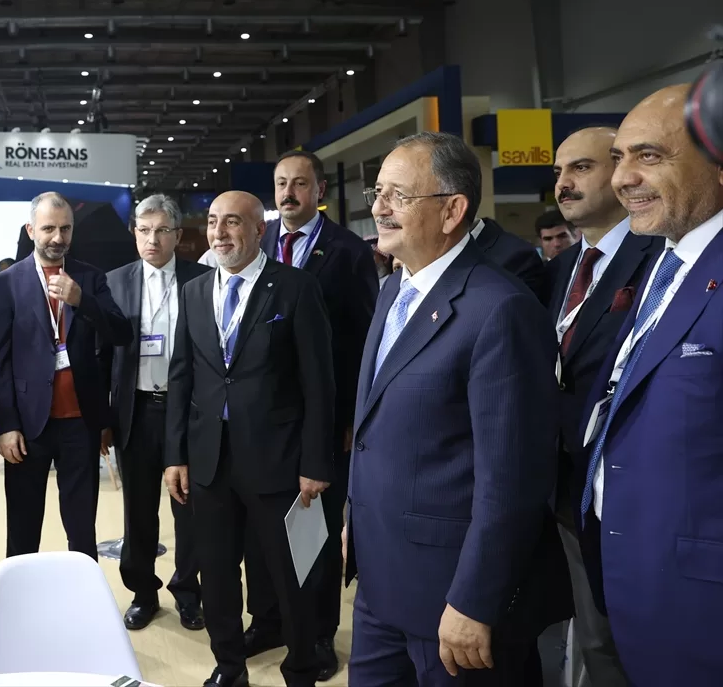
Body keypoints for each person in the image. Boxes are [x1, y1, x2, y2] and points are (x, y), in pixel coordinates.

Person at [345, 132, 571, 685]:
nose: (379, 208)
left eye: (398, 195)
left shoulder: (500, 309)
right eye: (378, 192)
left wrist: (475, 599)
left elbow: (514, 479)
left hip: (453, 601)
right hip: (381, 581)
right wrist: (357, 520)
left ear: (452, 211)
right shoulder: (393, 292)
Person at [580, 83, 723, 686]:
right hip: (634, 581)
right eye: (619, 157)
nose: (622, 178)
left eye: (649, 156)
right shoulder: (664, 262)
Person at [166, 190, 335, 687]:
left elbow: (318, 383)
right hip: (209, 459)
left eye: (232, 222)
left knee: (291, 575)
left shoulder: (295, 288)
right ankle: (229, 666)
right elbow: (182, 375)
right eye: (213, 222)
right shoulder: (194, 291)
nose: (219, 233)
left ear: (260, 230)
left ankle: (300, 668)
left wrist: (315, 461)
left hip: (278, 459)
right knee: (216, 572)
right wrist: (175, 454)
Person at [242, 150, 378, 681]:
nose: (288, 193)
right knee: (260, 529)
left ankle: (317, 632)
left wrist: (349, 418)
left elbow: (363, 343)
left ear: (319, 190)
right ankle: (268, 620)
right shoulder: (258, 243)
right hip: (261, 420)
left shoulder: (347, 252)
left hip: (321, 417)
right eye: (280, 183)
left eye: (299, 183)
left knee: (311, 532)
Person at [545, 126, 660, 686]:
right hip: (564, 487)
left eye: (581, 168)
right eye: (558, 172)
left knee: (626, 642)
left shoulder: (657, 256)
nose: (564, 184)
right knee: (590, 637)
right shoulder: (561, 268)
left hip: (628, 487)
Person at [0, 192, 131, 558]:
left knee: (81, 528)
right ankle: (21, 592)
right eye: (48, 228)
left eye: (65, 229)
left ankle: (82, 593)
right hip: (28, 425)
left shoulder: (89, 278)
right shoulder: (8, 282)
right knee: (23, 528)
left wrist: (82, 299)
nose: (57, 237)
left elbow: (120, 332)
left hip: (80, 423)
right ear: (30, 230)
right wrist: (7, 425)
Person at [103, 194, 209, 632]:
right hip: (137, 409)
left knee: (190, 509)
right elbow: (101, 355)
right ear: (134, 233)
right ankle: (143, 593)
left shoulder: (202, 279)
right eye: (144, 230)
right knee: (139, 510)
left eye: (162, 230)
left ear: (177, 235)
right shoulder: (114, 282)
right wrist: (104, 418)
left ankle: (188, 591)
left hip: (188, 411)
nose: (152, 239)